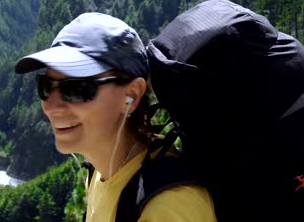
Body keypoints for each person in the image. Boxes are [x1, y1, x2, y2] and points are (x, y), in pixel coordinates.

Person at [14, 12, 217, 221]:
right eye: (46, 86)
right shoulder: (100, 171)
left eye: (77, 88)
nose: (50, 106)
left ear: (132, 95)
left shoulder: (168, 207)